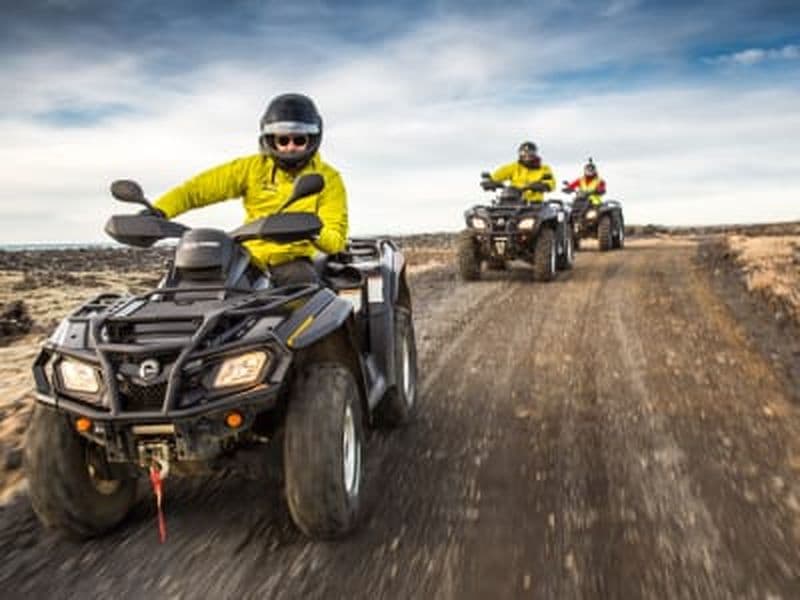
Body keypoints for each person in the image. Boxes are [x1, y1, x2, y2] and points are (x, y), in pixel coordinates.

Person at [149, 93, 347, 286]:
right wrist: (158, 211)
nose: (290, 147)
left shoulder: (329, 178)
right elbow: (196, 190)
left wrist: (312, 231)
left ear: (313, 139)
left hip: (292, 262)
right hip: (248, 259)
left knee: (303, 289)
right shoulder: (251, 168)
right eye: (283, 140)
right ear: (270, 140)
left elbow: (335, 240)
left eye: (299, 140)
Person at [483, 141, 556, 202]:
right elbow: (497, 175)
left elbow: (550, 182)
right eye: (523, 153)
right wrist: (490, 181)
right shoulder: (514, 167)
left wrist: (543, 185)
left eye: (530, 153)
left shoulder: (544, 169)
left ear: (535, 154)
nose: (526, 155)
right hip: (511, 201)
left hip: (534, 205)